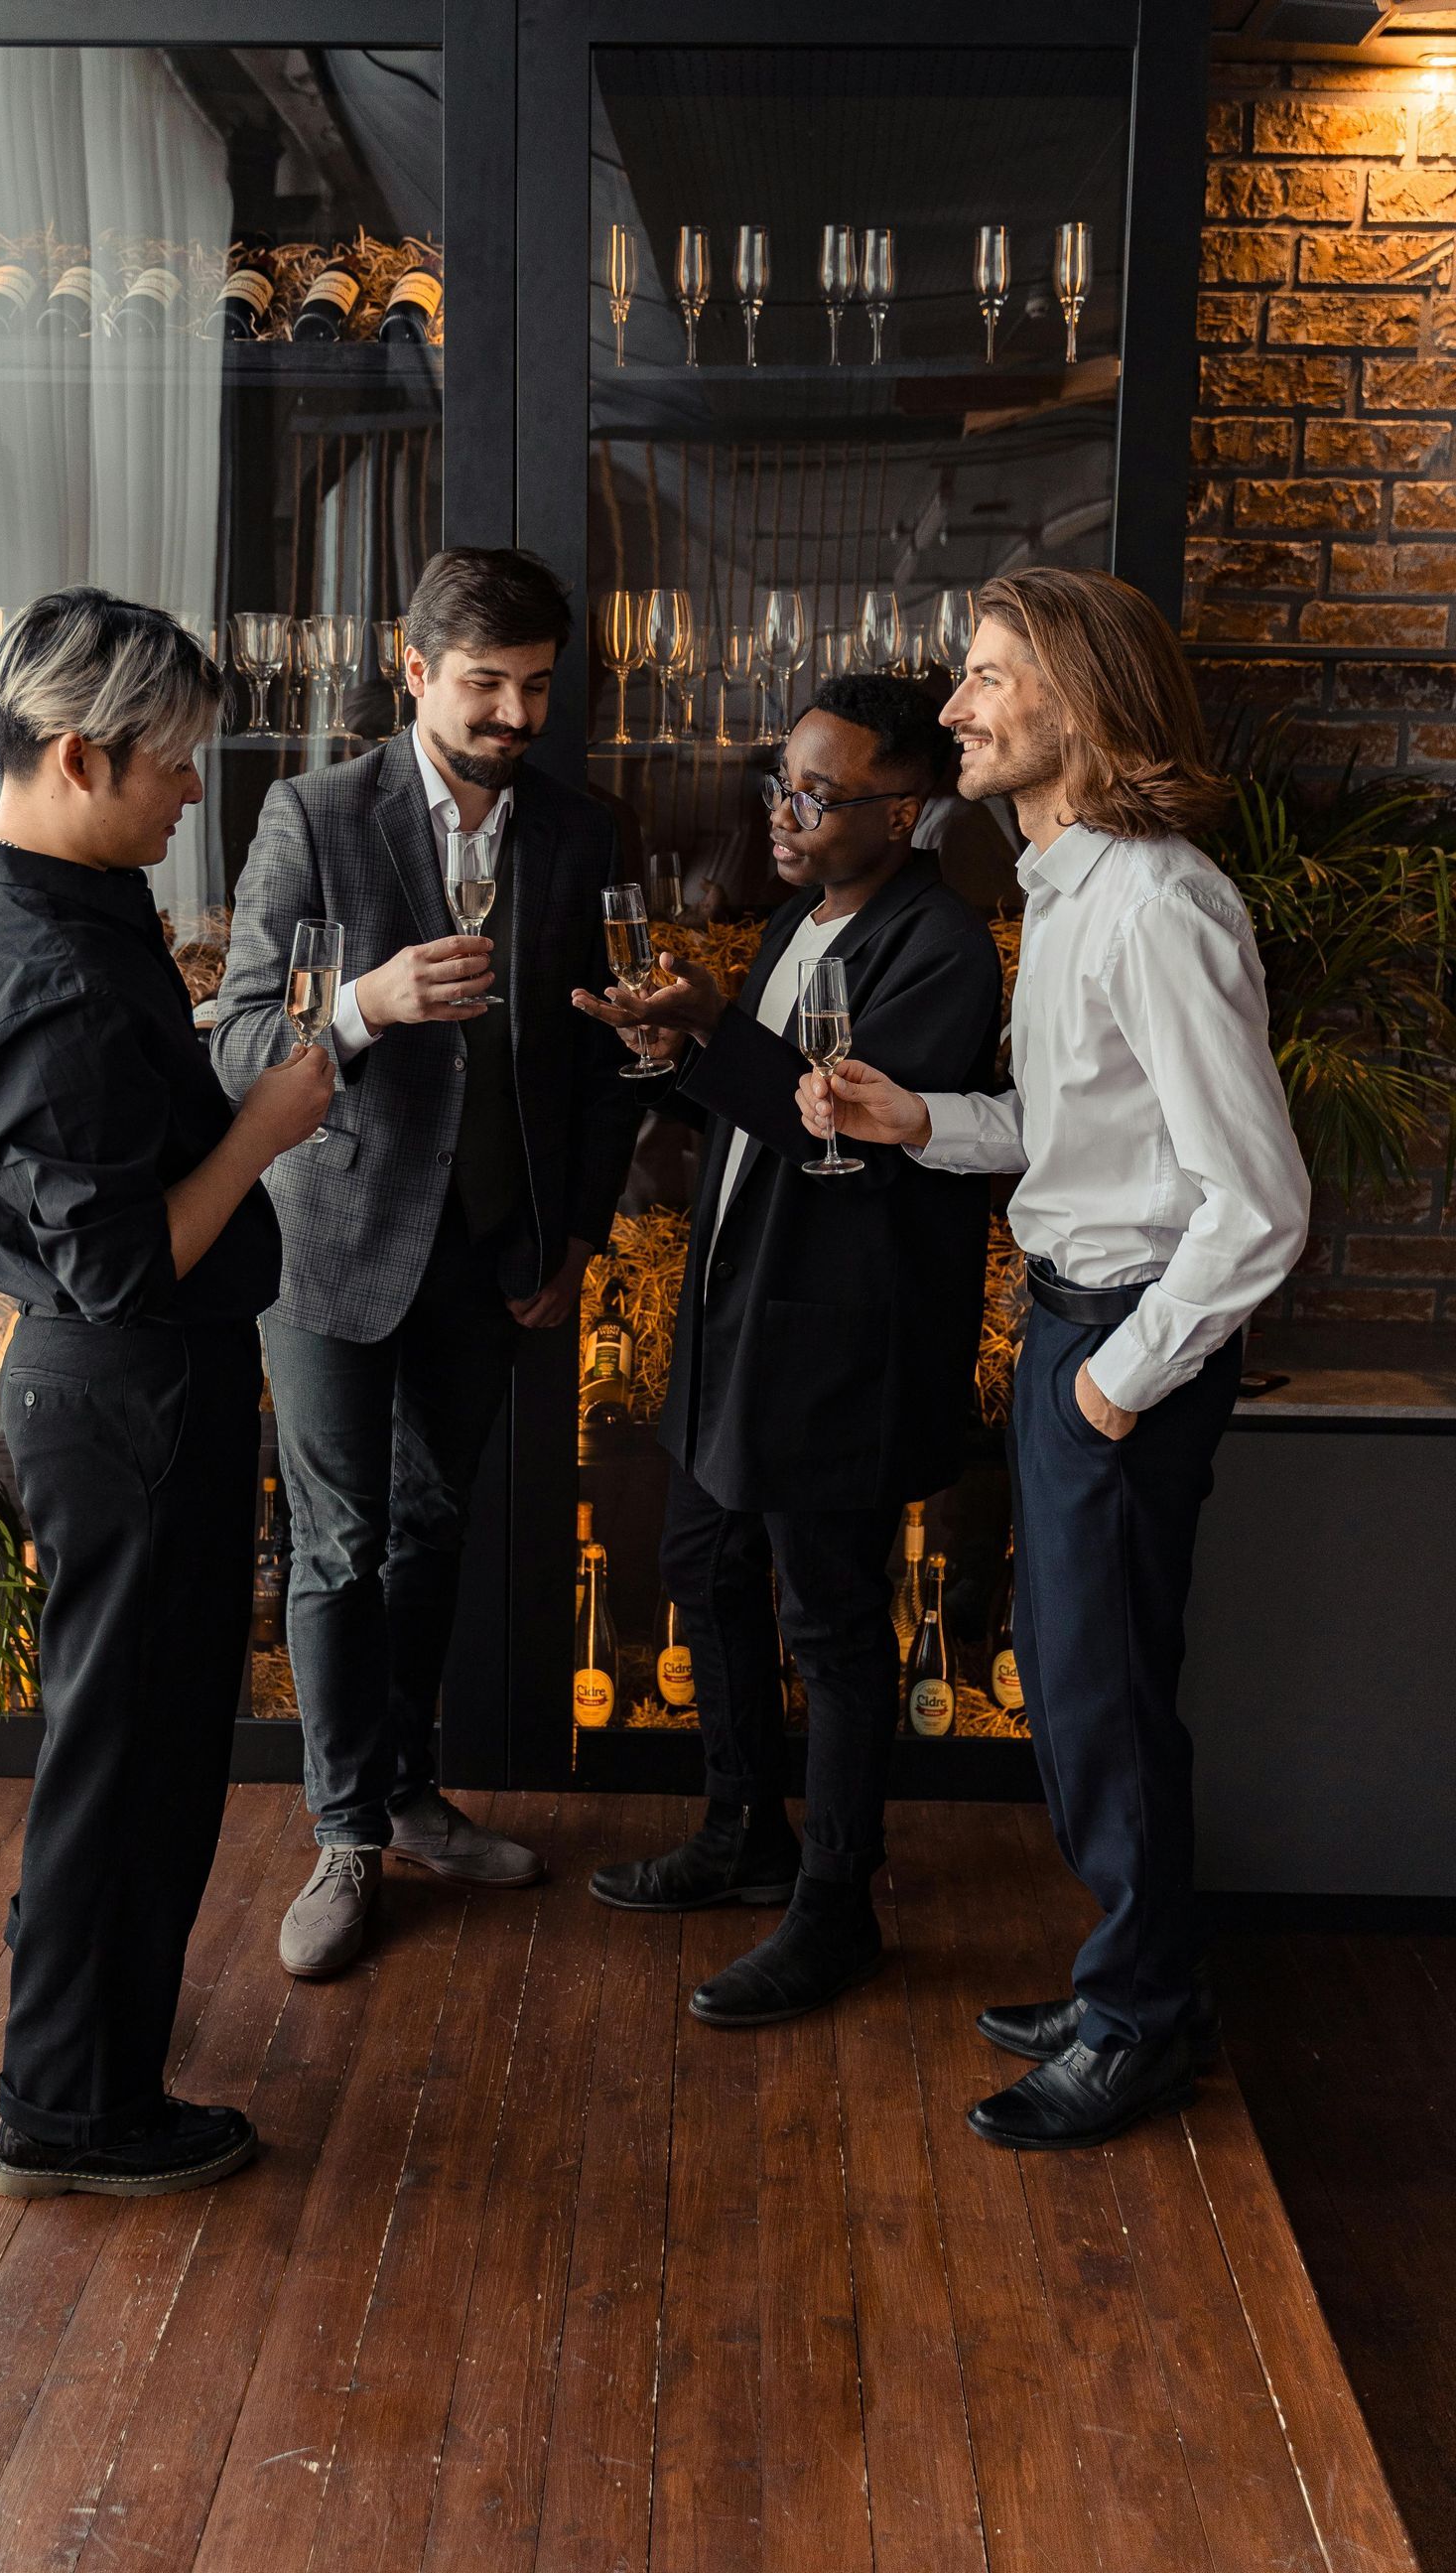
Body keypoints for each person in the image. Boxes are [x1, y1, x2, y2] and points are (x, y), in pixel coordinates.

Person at [798, 571, 1310, 2147]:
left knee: (1100, 1699)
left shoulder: (1158, 906)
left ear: (1078, 704)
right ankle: (1137, 1987)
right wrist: (918, 1118)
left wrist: (1111, 1386)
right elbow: (1082, 1135)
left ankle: (1140, 2022)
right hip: (1071, 1327)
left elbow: (1260, 1202)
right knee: (1084, 1683)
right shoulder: (1070, 888)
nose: (955, 706)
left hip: (1122, 1348)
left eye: (989, 676)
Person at [0, 589, 333, 2201]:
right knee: (131, 1761)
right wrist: (265, 1128)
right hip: (127, 1393)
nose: (189, 794)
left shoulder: (38, 895)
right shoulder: (46, 972)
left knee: (129, 1746)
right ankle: (70, 2110)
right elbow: (123, 1263)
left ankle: (82, 2046)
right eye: (171, 766)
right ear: (79, 756)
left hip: (121, 1390)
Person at [214, 547, 638, 1978]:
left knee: (432, 1524)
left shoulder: (581, 831)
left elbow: (598, 1067)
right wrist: (364, 1006)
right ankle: (344, 1834)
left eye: (537, 687)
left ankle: (406, 1795)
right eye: (484, 685)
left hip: (493, 1251)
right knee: (338, 1543)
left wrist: (575, 1233)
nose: (515, 716)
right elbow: (238, 1043)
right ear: (412, 670)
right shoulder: (315, 815)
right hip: (331, 1240)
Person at [575, 676, 1000, 2025]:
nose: (785, 814)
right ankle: (741, 1831)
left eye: (819, 797)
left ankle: (835, 1906)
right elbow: (760, 1111)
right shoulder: (791, 924)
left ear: (906, 810)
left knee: (830, 1621)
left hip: (837, 1346)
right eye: (782, 786)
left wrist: (714, 1031)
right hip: (734, 1320)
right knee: (702, 1566)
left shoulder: (940, 948)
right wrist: (683, 1047)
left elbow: (844, 1135)